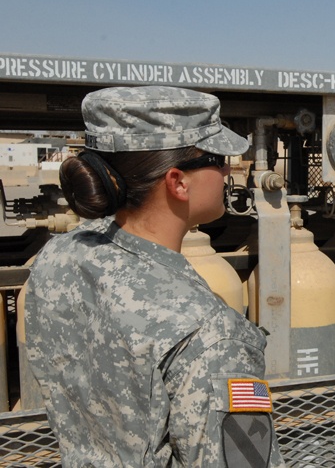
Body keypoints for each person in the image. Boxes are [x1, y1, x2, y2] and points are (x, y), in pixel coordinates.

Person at [24, 86, 285, 467]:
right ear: (178, 182)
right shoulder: (211, 335)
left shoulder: (60, 255)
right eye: (217, 158)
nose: (228, 169)